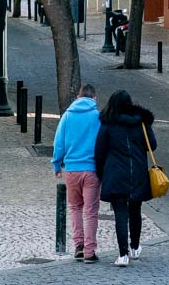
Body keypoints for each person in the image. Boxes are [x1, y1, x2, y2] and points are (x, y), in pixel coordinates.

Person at [94, 89, 156, 267]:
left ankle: (123, 255)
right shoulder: (141, 123)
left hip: (116, 173)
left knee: (120, 213)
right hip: (137, 172)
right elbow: (152, 145)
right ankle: (135, 247)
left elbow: (99, 151)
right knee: (135, 210)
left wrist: (101, 173)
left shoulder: (108, 124)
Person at [51, 83, 103, 262]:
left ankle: (78, 246)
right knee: (91, 211)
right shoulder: (97, 117)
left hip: (72, 169)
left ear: (78, 97)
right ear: (94, 98)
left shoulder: (67, 116)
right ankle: (90, 251)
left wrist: (57, 165)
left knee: (75, 208)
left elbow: (59, 143)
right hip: (91, 170)